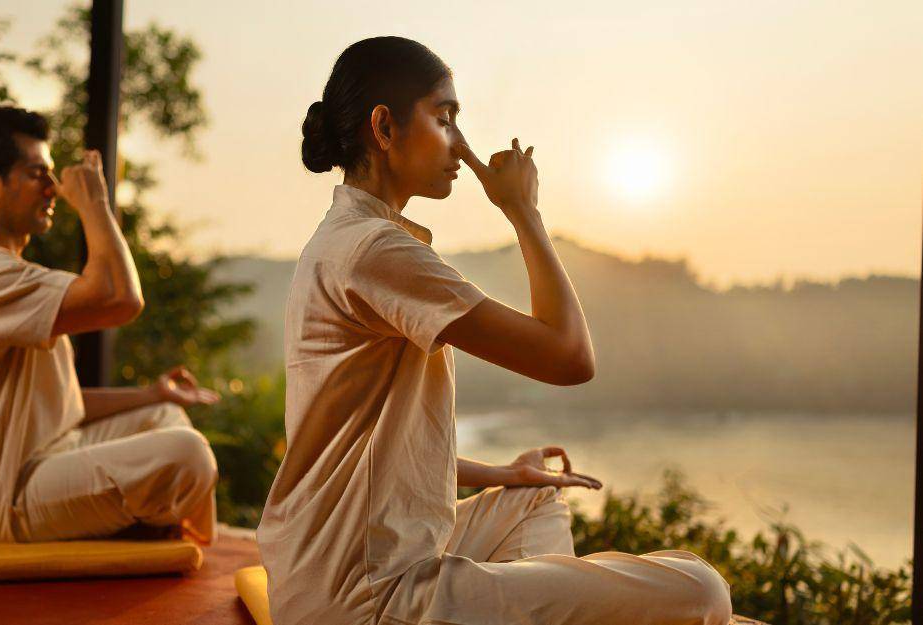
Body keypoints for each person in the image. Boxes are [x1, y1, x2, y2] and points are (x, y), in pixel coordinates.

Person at [256, 37, 733, 625]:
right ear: (383, 127)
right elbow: (569, 357)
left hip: (329, 573)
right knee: (702, 591)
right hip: (368, 597)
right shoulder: (375, 249)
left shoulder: (342, 239)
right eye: (444, 117)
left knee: (534, 495)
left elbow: (370, 454)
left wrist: (503, 474)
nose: (461, 142)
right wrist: (524, 213)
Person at [0, 106, 220, 545]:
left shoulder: (5, 273)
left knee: (166, 415)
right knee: (186, 455)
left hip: (45, 457)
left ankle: (151, 521)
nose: (53, 189)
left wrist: (151, 394)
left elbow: (61, 407)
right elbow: (121, 299)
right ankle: (155, 525)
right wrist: (95, 203)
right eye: (38, 173)